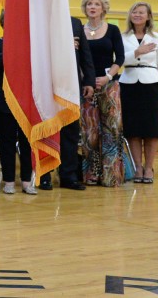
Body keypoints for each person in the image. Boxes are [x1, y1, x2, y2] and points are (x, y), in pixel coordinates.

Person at [39, 17, 95, 191]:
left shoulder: (75, 23)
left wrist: (89, 81)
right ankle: (45, 175)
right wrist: (63, 44)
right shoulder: (39, 18)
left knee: (70, 132)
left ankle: (68, 176)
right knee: (47, 130)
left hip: (70, 86)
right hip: (45, 84)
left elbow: (85, 53)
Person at [0, 10, 36, 195]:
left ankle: (25, 181)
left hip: (26, 99)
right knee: (6, 141)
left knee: (26, 142)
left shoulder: (31, 44)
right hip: (4, 100)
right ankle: (8, 180)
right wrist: (11, 47)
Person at [80, 0, 125, 187]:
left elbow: (120, 58)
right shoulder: (78, 31)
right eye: (89, 4)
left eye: (96, 4)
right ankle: (92, 173)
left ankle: (111, 175)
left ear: (103, 8)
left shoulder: (113, 29)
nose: (92, 7)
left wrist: (107, 77)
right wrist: (87, 79)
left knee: (111, 130)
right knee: (90, 133)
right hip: (87, 87)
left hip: (109, 86)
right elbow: (76, 59)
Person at [120, 2, 158, 184]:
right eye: (134, 12)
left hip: (151, 84)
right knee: (133, 129)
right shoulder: (122, 36)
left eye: (141, 12)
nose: (137, 15)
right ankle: (137, 167)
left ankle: (149, 167)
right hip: (128, 83)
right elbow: (119, 60)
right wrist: (137, 52)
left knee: (151, 129)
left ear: (148, 16)